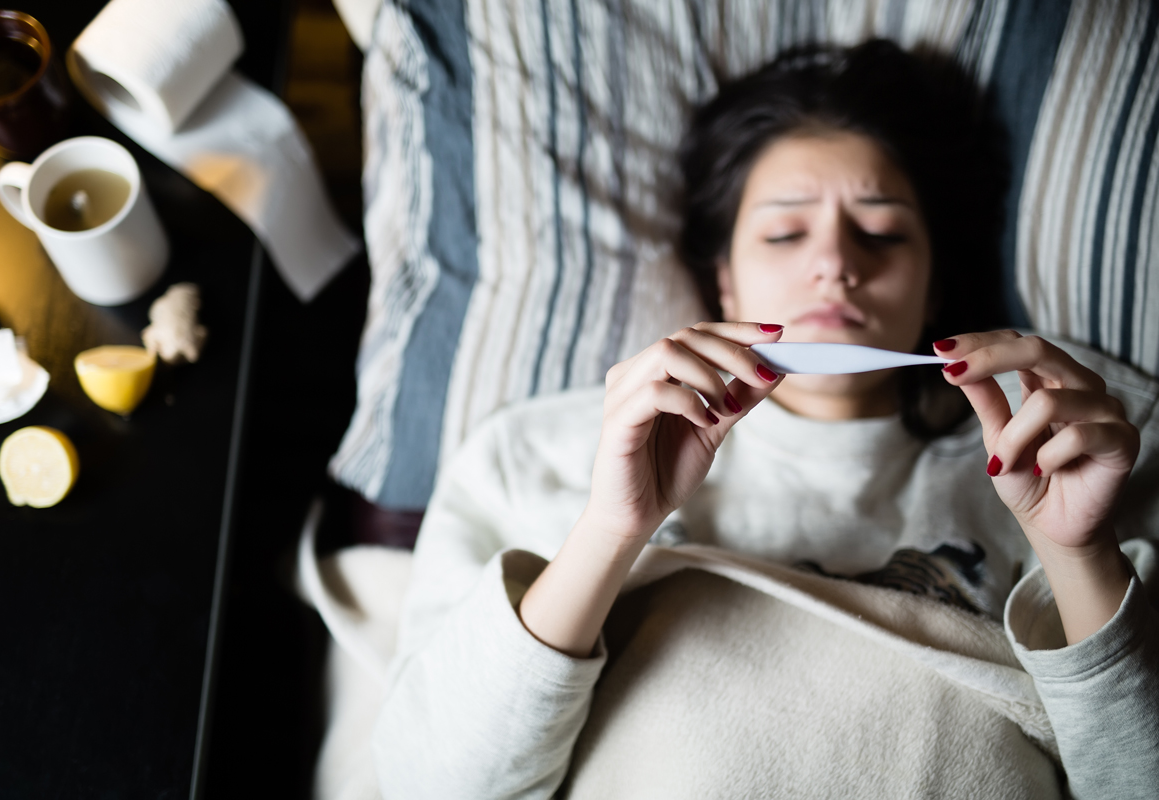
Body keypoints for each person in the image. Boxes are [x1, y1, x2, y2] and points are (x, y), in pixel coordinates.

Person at [371, 41, 1159, 798]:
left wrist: (1075, 553)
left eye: (881, 232)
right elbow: (429, 784)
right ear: (725, 283)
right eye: (786, 232)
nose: (837, 262)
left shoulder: (1075, 447)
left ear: (935, 285)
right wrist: (611, 531)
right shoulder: (531, 453)